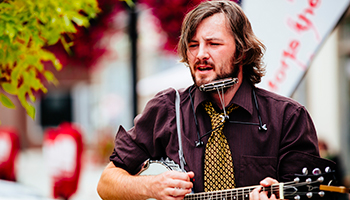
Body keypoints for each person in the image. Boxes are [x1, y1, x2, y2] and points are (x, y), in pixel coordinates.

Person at [97, 1, 335, 200]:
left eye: (213, 44)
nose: (200, 54)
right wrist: (150, 186)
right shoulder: (167, 108)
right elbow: (106, 183)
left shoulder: (287, 117)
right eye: (193, 45)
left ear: (241, 51)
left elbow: (309, 192)